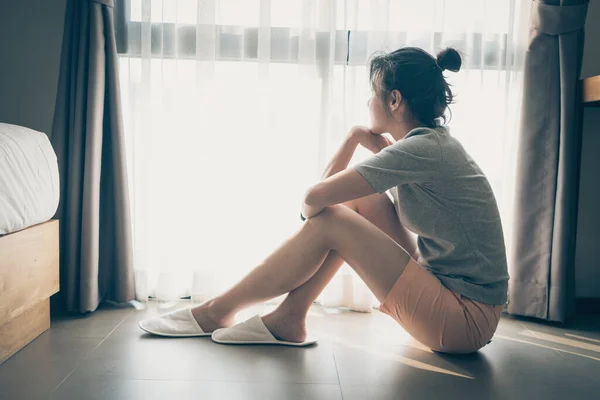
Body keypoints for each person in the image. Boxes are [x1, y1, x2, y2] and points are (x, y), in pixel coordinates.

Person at [139, 46, 509, 354]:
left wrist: (315, 216)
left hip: (463, 319)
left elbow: (314, 198)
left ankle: (217, 311)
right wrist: (352, 140)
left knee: (333, 218)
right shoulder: (427, 145)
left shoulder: (422, 150)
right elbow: (329, 195)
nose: (368, 101)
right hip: (454, 300)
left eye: (374, 92)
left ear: (394, 100)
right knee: (352, 206)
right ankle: (290, 316)